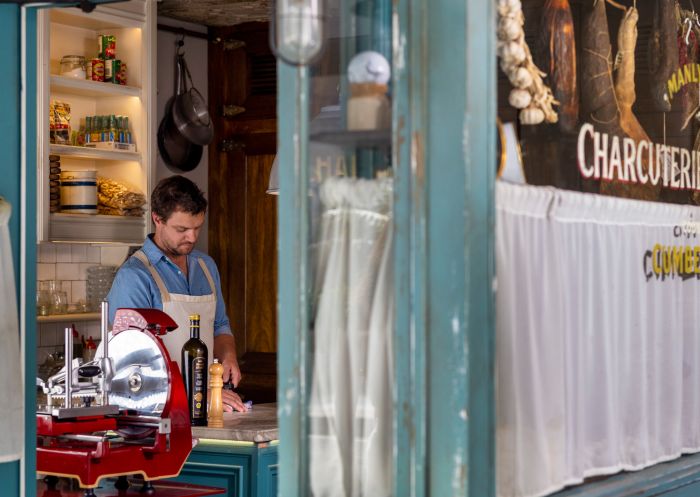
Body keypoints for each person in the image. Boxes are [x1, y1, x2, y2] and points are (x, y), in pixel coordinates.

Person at [107, 175, 245, 412]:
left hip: (203, 406)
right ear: (157, 219)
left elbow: (220, 326)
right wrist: (200, 392)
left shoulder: (206, 267)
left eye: (197, 227)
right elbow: (132, 364)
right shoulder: (135, 277)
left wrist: (229, 356)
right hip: (156, 412)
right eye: (182, 229)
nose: (192, 238)